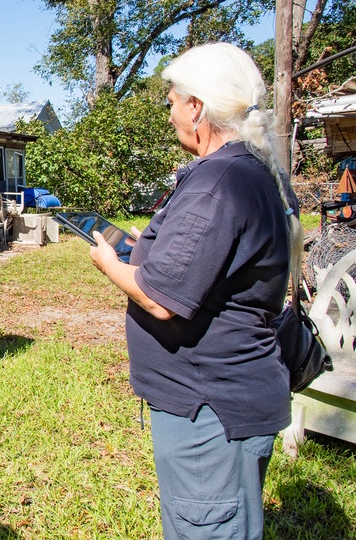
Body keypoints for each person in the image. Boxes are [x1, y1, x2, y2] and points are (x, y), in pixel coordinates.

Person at [88, 43, 302, 540]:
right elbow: (211, 258)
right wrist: (150, 245)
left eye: (171, 102)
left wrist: (108, 261)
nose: (168, 115)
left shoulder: (218, 180)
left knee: (205, 529)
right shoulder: (248, 169)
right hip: (223, 400)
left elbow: (160, 298)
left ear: (197, 108)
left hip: (209, 411)